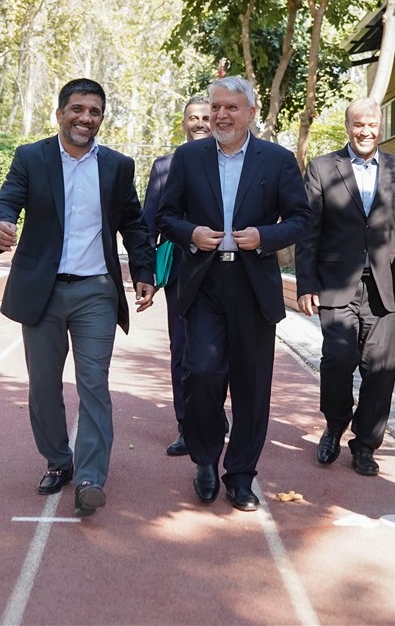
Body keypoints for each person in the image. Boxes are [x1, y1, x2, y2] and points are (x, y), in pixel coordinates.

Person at [0, 78, 156, 518]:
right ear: (60, 113)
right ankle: (59, 461)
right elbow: (6, 202)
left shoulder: (118, 166)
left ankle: (90, 478)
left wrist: (144, 272)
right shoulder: (31, 157)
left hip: (96, 290)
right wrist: (1, 224)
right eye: (78, 109)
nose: (86, 118)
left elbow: (134, 224)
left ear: (102, 118)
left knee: (94, 383)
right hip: (42, 291)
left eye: (94, 111)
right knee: (44, 386)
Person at [157, 75, 311, 512]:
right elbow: (166, 215)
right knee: (203, 372)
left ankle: (241, 476)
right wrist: (191, 233)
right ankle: (205, 460)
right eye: (216, 107)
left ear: (251, 113)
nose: (221, 115)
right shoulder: (188, 157)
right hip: (204, 283)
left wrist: (264, 236)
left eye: (231, 107)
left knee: (252, 386)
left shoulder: (277, 160)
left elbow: (301, 219)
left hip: (253, 283)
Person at [295, 99, 395, 477]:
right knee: (337, 360)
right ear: (347, 127)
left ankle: (366, 444)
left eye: (371, 124)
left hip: (386, 287)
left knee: (380, 369)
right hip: (336, 284)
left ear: (380, 126)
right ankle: (335, 423)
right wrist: (306, 284)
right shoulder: (323, 168)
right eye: (358, 125)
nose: (365, 131)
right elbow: (308, 231)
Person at [142, 95, 211, 456]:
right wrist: (147, 276)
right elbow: (148, 224)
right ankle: (186, 424)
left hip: (226, 272)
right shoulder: (165, 167)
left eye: (206, 117)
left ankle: (213, 414)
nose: (200, 123)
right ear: (184, 124)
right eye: (193, 118)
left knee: (220, 351)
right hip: (181, 273)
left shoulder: (233, 165)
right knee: (182, 348)